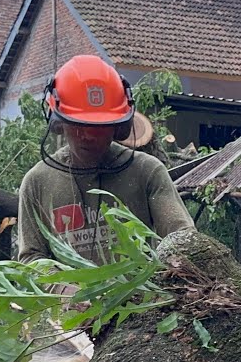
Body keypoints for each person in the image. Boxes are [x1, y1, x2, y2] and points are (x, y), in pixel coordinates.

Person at [15, 55, 194, 266]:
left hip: (142, 295)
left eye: (99, 127)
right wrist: (60, 287)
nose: (89, 136)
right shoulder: (38, 182)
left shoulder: (147, 172)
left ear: (119, 127)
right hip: (67, 297)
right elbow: (31, 257)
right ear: (58, 122)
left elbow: (183, 238)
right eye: (80, 125)